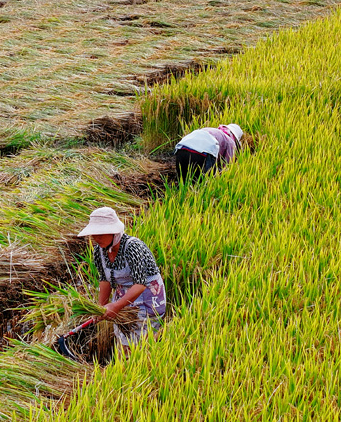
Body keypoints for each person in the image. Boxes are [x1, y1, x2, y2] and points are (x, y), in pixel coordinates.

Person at [77, 207, 166, 352]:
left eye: (100, 233)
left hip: (147, 296)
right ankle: (123, 368)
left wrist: (116, 306)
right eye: (94, 234)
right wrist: (100, 307)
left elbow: (140, 284)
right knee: (124, 337)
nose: (96, 238)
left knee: (142, 341)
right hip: (123, 296)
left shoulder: (133, 247)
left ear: (114, 232)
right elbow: (104, 280)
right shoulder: (99, 251)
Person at [174, 123, 243, 180]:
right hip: (202, 154)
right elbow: (227, 165)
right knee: (204, 183)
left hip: (181, 150)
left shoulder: (210, 130)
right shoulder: (230, 141)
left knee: (183, 182)